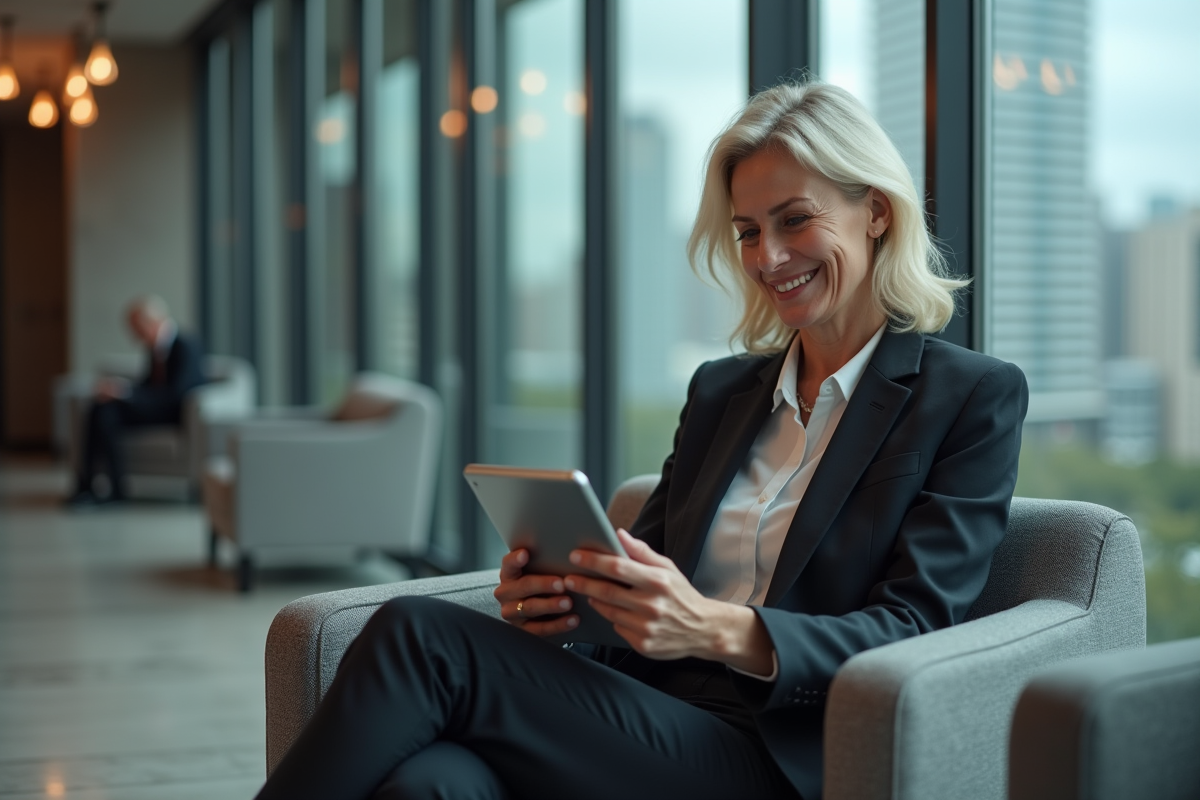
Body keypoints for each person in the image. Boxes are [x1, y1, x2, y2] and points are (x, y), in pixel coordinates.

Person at [255, 81, 1028, 800]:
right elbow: (637, 582)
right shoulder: (722, 392)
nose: (768, 258)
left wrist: (716, 627)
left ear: (877, 212)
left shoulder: (969, 396)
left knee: (421, 636)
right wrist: (564, 610)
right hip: (647, 721)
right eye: (748, 232)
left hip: (777, 754)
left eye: (796, 220)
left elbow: (916, 627)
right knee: (429, 782)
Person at [66, 296, 206, 507]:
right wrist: (121, 390)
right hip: (153, 407)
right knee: (101, 408)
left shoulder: (186, 345)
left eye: (135, 328)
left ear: (151, 322)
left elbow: (176, 394)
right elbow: (149, 384)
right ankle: (88, 486)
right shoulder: (155, 348)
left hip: (172, 412)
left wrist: (125, 394)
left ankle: (112, 490)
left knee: (106, 410)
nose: (133, 335)